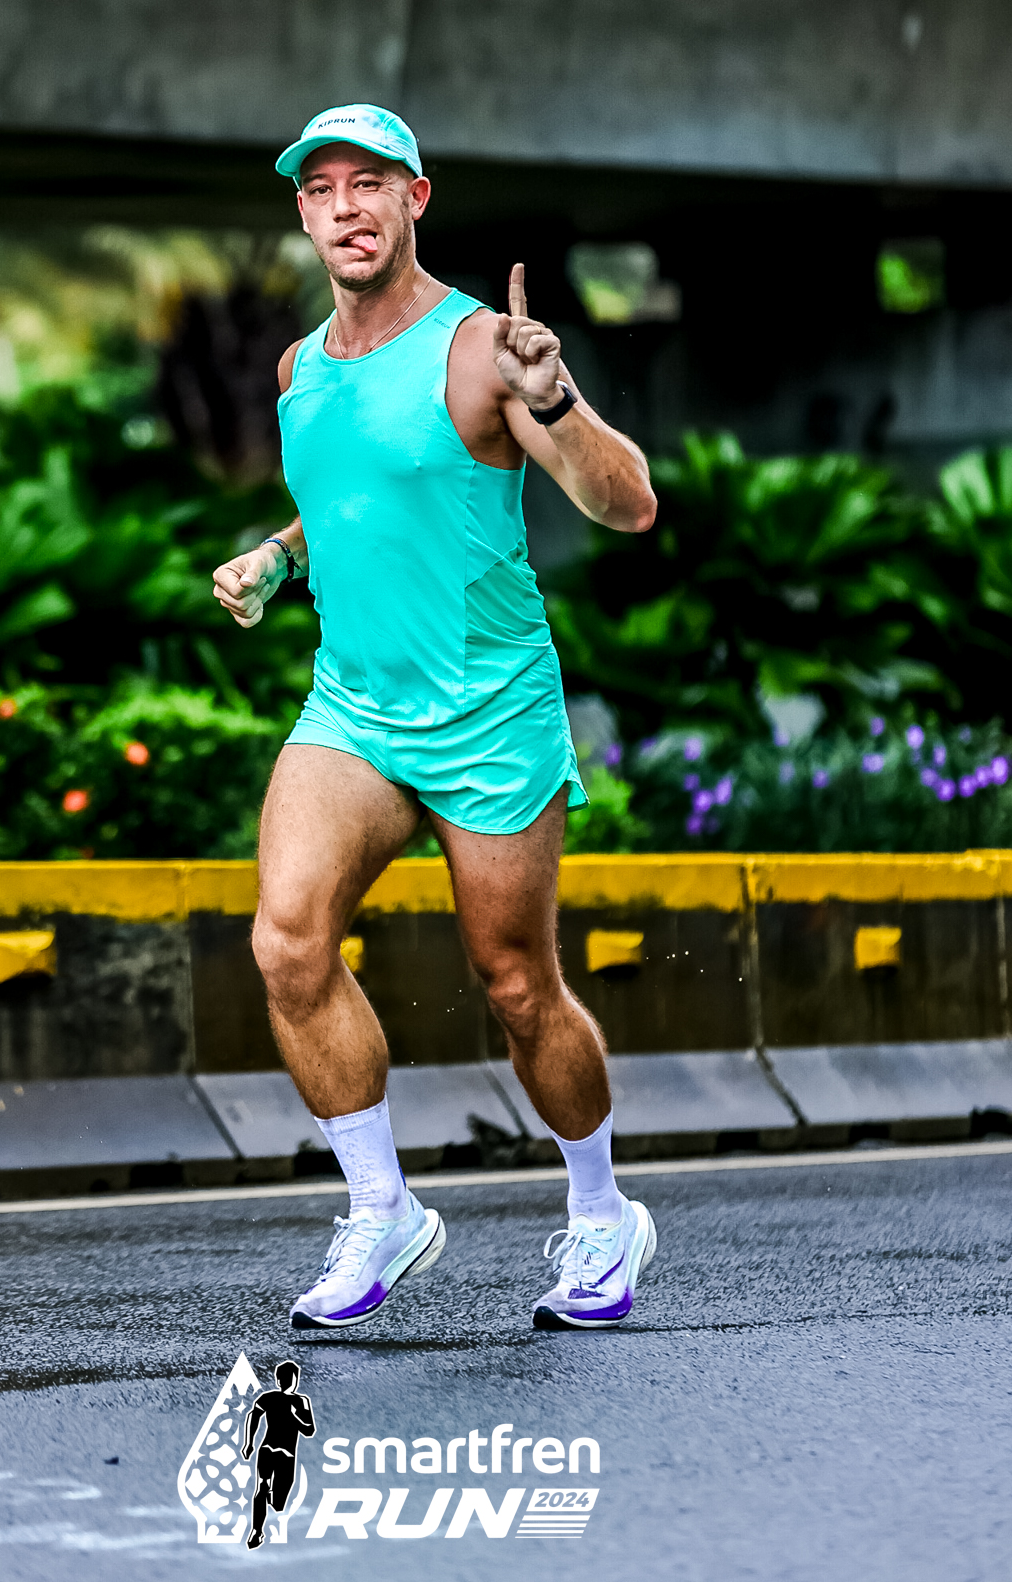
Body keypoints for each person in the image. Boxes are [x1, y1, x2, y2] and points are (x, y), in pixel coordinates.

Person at [212, 103, 659, 1331]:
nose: (344, 208)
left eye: (368, 183)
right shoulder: (302, 370)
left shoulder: (482, 351)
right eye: (321, 189)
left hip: (488, 711)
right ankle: (381, 1210)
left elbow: (626, 505)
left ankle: (599, 1211)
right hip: (353, 708)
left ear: (413, 199)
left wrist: (554, 400)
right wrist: (278, 556)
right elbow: (361, 499)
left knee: (515, 983)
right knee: (286, 945)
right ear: (302, 214)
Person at [241, 1359, 315, 1548]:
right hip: (272, 1450)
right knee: (263, 1487)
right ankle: (257, 1531)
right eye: (285, 1378)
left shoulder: (300, 1401)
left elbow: (309, 1430)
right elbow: (253, 1416)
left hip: (282, 1454)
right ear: (279, 1380)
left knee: (277, 1502)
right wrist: (248, 1443)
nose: (288, 1381)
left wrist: (292, 1416)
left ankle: (266, 1501)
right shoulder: (271, 1398)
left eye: (290, 1378)